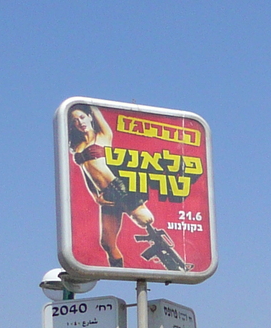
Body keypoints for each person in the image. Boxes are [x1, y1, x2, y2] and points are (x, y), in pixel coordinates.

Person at [65, 104, 191, 271]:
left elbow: (95, 110)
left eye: (81, 117)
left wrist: (88, 105)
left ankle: (175, 263)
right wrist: (95, 196)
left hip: (120, 187)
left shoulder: (103, 135)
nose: (79, 122)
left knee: (146, 220)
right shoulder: (77, 147)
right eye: (74, 120)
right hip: (107, 195)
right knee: (107, 243)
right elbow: (87, 174)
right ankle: (121, 273)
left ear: (89, 117)